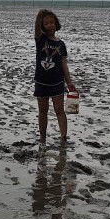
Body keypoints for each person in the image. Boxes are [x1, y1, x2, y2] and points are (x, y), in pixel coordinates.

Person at [34, 8, 76, 142]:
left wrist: (69, 82)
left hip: (57, 83)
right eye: (46, 23)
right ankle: (42, 137)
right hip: (41, 82)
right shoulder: (40, 40)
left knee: (59, 110)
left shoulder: (61, 44)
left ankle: (63, 137)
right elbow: (36, 28)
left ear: (56, 23)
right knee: (42, 111)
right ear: (42, 26)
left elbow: (64, 64)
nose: (50, 25)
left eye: (52, 22)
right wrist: (40, 15)